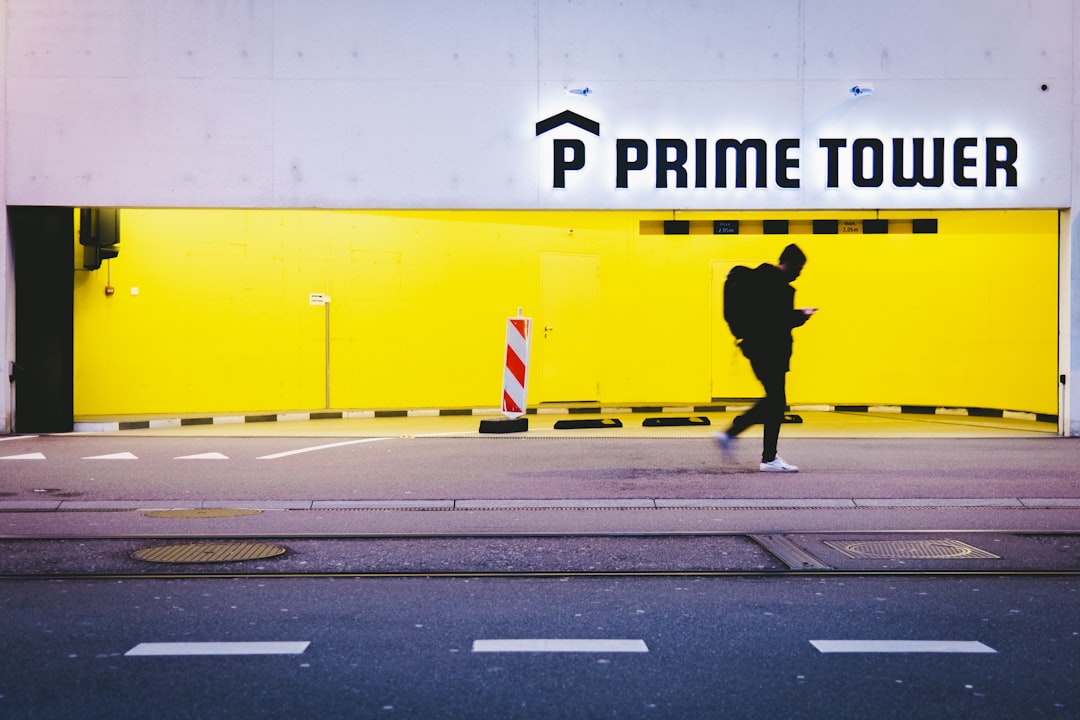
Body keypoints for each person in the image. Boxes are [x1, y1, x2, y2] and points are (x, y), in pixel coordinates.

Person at [715, 243, 816, 472]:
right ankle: (746, 441)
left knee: (775, 401)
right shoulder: (778, 286)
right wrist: (801, 315)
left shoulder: (757, 278)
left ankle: (760, 450)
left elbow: (765, 316)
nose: (799, 274)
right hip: (771, 350)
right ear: (789, 263)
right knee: (776, 401)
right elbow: (777, 320)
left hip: (755, 348)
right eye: (799, 268)